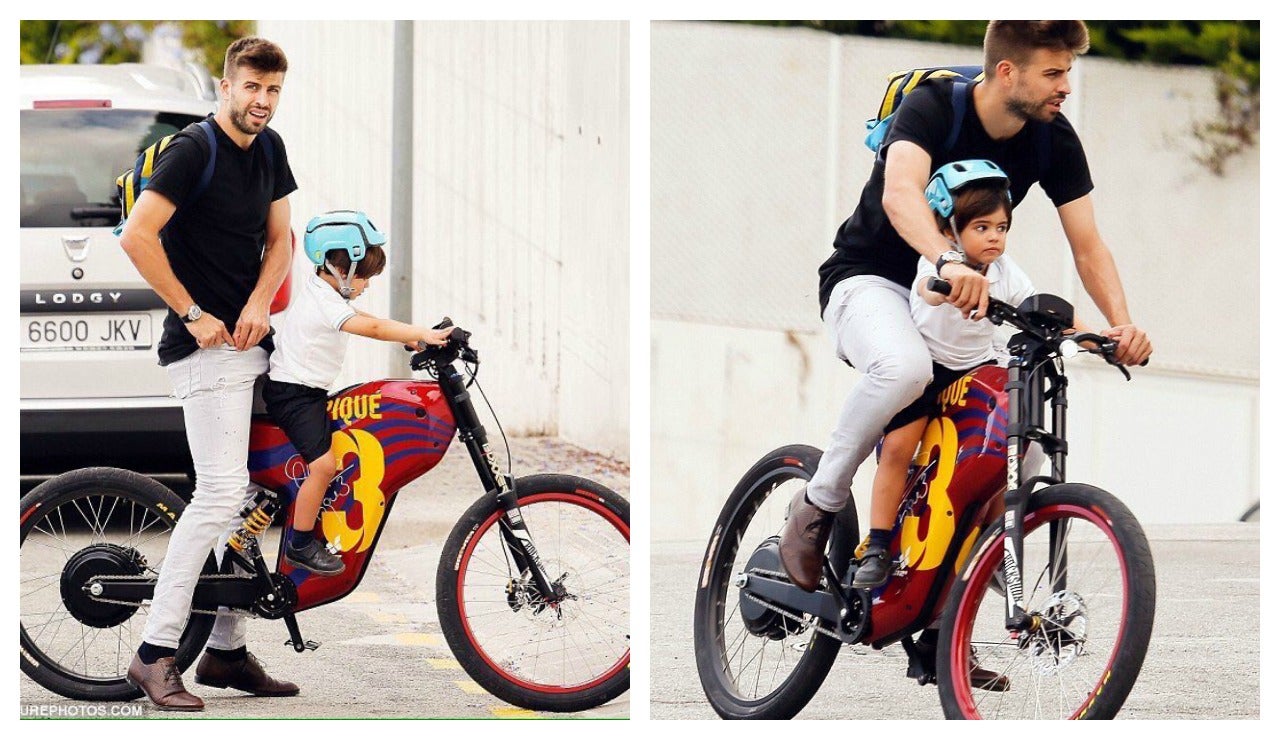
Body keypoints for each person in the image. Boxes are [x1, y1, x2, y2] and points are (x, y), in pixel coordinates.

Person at [780, 21, 1153, 595]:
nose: (1066, 88)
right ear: (1008, 72)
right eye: (1054, 73)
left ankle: (962, 583)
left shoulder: (1051, 136)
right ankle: (818, 503)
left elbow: (1087, 244)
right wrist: (948, 259)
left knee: (1015, 421)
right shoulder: (933, 107)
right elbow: (901, 193)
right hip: (871, 280)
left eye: (1068, 73)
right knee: (904, 369)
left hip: (964, 302)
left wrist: (1119, 325)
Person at [119, 37, 298, 711]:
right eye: (251, 87)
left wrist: (256, 303)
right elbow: (136, 235)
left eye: (273, 90)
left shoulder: (271, 149)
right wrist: (194, 312)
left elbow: (280, 239)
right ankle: (155, 653)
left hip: (253, 344)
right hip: (204, 351)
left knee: (255, 498)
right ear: (227, 87)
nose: (261, 101)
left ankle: (225, 650)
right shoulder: (196, 150)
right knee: (221, 496)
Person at [851, 159, 1090, 589]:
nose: (995, 237)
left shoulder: (1004, 271)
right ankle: (878, 545)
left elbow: (1036, 306)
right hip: (929, 374)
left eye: (1001, 227)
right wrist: (947, 288)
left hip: (976, 375)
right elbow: (927, 286)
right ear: (951, 231)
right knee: (899, 448)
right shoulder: (943, 262)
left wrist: (1100, 336)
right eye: (982, 227)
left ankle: (992, 547)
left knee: (1012, 451)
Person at [264, 211, 453, 575]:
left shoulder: (324, 292)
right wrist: (422, 333)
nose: (366, 284)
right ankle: (300, 544)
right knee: (324, 466)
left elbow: (364, 316)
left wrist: (412, 337)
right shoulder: (323, 300)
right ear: (343, 269)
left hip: (306, 391)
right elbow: (375, 327)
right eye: (364, 276)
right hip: (294, 395)